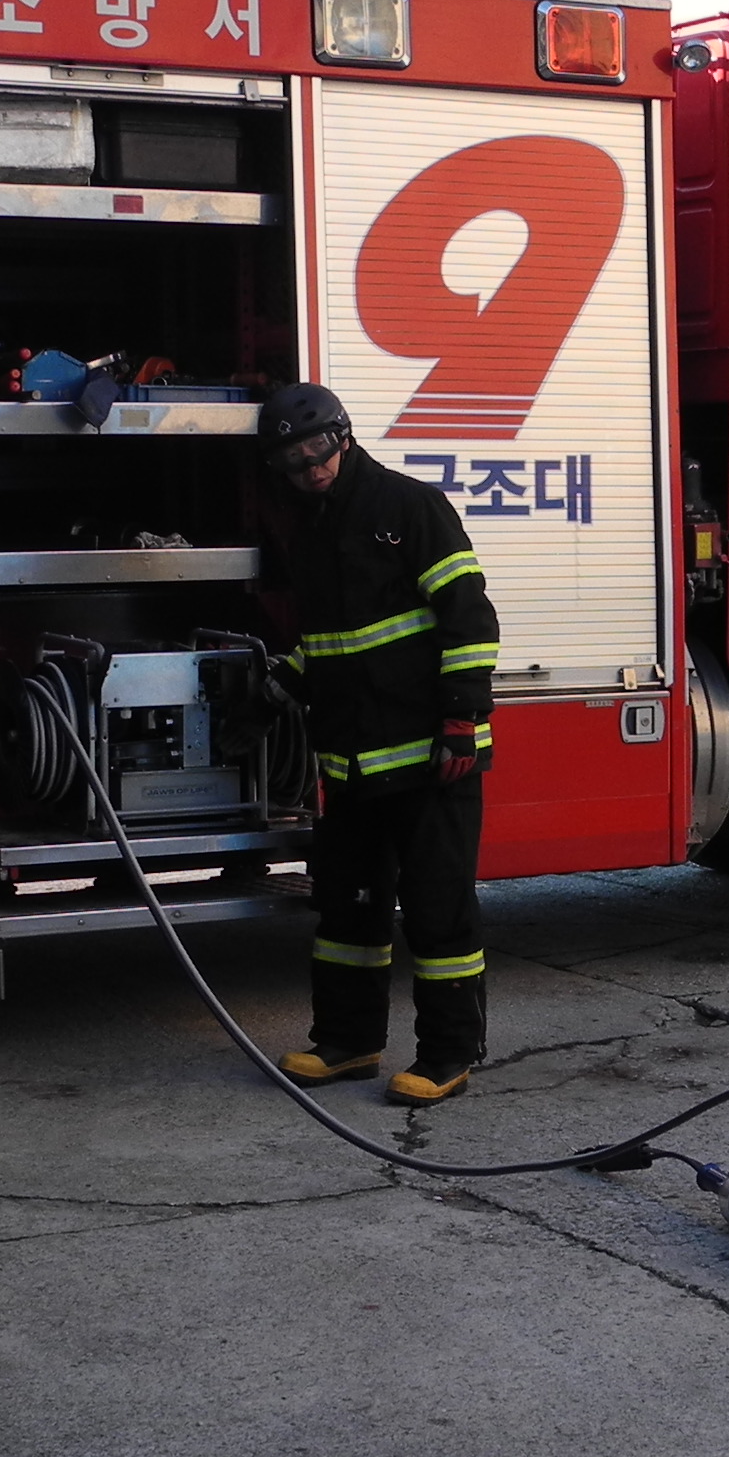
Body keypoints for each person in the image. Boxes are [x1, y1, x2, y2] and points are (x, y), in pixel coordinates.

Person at [258, 383, 501, 1105]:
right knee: (348, 912)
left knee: (437, 913)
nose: (312, 468)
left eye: (319, 450)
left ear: (344, 436)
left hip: (431, 759)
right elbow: (330, 643)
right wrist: (277, 684)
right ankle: (347, 1042)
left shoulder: (409, 507)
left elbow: (468, 618)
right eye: (295, 460)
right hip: (353, 764)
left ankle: (448, 1055)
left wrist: (461, 719)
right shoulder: (310, 530)